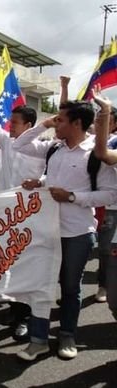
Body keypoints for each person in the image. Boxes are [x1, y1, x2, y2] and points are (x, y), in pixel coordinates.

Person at [13, 98, 117, 361]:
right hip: (45, 231)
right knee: (39, 286)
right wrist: (42, 181)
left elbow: (110, 194)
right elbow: (19, 144)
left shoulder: (95, 154)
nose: (55, 124)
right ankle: (37, 340)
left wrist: (72, 197)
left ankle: (67, 335)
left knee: (70, 288)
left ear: (77, 123)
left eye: (60, 119)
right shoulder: (53, 149)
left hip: (77, 233)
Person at [0, 74, 46, 340]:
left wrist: (41, 181)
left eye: (14, 122)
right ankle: (7, 303)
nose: (9, 125)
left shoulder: (43, 149)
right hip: (5, 217)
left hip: (31, 219)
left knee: (26, 268)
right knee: (6, 262)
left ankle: (23, 317)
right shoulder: (5, 141)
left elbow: (54, 177)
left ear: (29, 125)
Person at [91, 87, 117, 322]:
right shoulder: (110, 143)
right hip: (105, 206)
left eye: (107, 120)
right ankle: (104, 284)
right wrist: (104, 111)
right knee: (104, 249)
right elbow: (102, 152)